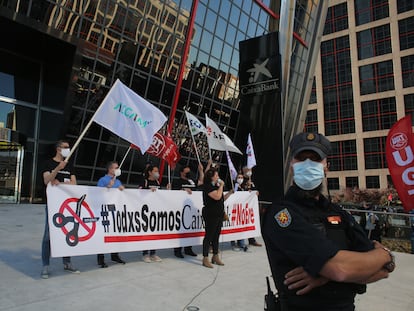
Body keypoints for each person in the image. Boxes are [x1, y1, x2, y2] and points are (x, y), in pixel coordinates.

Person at [262, 132, 395, 310]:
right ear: (292, 165)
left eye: (315, 159)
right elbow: (340, 269)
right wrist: (383, 254)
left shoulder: (339, 213)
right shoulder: (282, 215)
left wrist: (324, 275)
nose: (308, 164)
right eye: (301, 158)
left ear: (326, 167)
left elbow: (384, 270)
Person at [41, 140, 80, 279]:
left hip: (67, 205)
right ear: (58, 149)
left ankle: (67, 262)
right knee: (48, 235)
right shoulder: (48, 163)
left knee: (68, 232)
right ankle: (45, 265)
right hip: (53, 204)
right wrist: (58, 169)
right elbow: (47, 181)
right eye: (65, 147)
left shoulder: (70, 166)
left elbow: (74, 183)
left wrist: (60, 183)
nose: (67, 149)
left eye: (68, 147)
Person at [201, 167, 234, 268]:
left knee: (216, 236)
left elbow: (221, 198)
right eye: (216, 175)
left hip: (219, 214)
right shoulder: (207, 186)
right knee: (209, 236)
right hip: (211, 214)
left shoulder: (216, 186)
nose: (218, 177)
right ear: (211, 177)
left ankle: (215, 255)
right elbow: (217, 196)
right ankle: (205, 257)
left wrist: (229, 193)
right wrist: (222, 186)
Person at [96, 161, 126, 268]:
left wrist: (122, 189)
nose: (118, 169)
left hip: (115, 212)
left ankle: (114, 255)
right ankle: (101, 259)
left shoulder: (118, 181)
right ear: (110, 169)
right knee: (104, 234)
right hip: (104, 212)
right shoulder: (102, 180)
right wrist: (107, 187)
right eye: (116, 168)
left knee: (115, 233)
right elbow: (97, 194)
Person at [172, 164, 204, 258]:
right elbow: (173, 192)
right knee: (181, 230)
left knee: (190, 228)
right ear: (182, 172)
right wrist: (183, 190)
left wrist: (201, 171)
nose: (189, 174)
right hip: (181, 209)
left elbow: (201, 182)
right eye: (187, 172)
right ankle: (177, 250)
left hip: (191, 210)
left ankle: (188, 248)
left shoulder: (191, 181)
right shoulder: (177, 181)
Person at [140, 164, 168, 263]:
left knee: (155, 232)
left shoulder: (157, 182)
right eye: (155, 171)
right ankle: (145, 253)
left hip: (156, 211)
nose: (157, 173)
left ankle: (153, 253)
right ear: (150, 172)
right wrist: (148, 191)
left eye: (157, 171)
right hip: (146, 211)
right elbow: (139, 193)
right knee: (146, 231)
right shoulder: (145, 181)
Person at [241, 166, 262, 247]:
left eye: (250, 170)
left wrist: (256, 192)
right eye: (248, 170)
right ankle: (239, 241)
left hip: (251, 206)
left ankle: (252, 240)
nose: (249, 172)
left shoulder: (251, 180)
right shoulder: (241, 179)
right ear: (244, 171)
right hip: (243, 205)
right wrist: (246, 187)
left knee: (250, 222)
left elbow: (255, 190)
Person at [230, 173, 248, 252]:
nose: (240, 179)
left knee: (241, 226)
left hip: (241, 209)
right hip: (234, 209)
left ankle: (241, 243)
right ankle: (233, 243)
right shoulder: (233, 186)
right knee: (234, 226)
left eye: (241, 177)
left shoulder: (244, 186)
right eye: (239, 177)